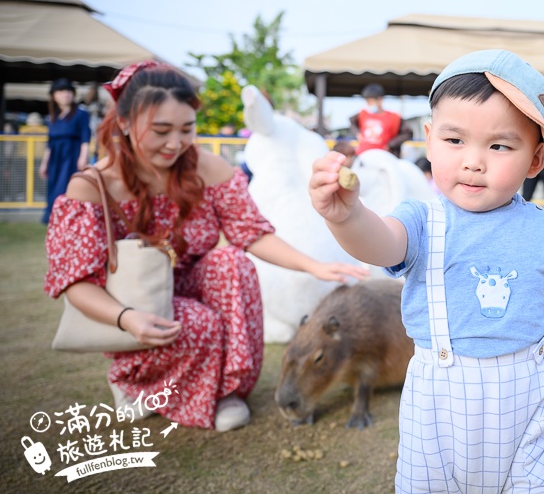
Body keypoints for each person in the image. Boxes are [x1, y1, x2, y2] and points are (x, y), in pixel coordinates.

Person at [310, 49, 544, 492]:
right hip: (436, 416)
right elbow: (380, 243)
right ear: (429, 139)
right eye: (455, 140)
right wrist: (346, 217)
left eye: (499, 145)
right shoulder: (422, 219)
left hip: (524, 416)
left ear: (536, 160)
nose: (473, 161)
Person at [43, 61, 367, 432]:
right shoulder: (92, 186)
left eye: (186, 129)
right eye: (161, 130)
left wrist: (314, 266)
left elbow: (251, 234)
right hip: (132, 300)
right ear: (125, 123)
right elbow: (76, 281)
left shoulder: (206, 168)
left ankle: (225, 391)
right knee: (200, 323)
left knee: (233, 263)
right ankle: (134, 382)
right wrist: (126, 318)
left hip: (190, 283)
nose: (175, 143)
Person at [39, 79, 91, 224]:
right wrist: (44, 164)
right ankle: (53, 218)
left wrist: (83, 157)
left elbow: (85, 138)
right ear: (54, 96)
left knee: (67, 186)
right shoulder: (52, 117)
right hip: (55, 158)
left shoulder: (81, 114)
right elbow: (49, 143)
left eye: (68, 91)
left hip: (71, 155)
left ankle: (69, 218)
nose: (65, 95)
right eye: (61, 91)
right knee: (53, 186)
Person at [349, 83, 413, 157]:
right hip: (362, 155)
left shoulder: (394, 117)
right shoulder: (362, 114)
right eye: (367, 102)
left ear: (380, 100)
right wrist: (358, 134)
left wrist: (390, 145)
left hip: (384, 157)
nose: (369, 104)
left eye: (371, 101)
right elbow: (352, 123)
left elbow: (408, 133)